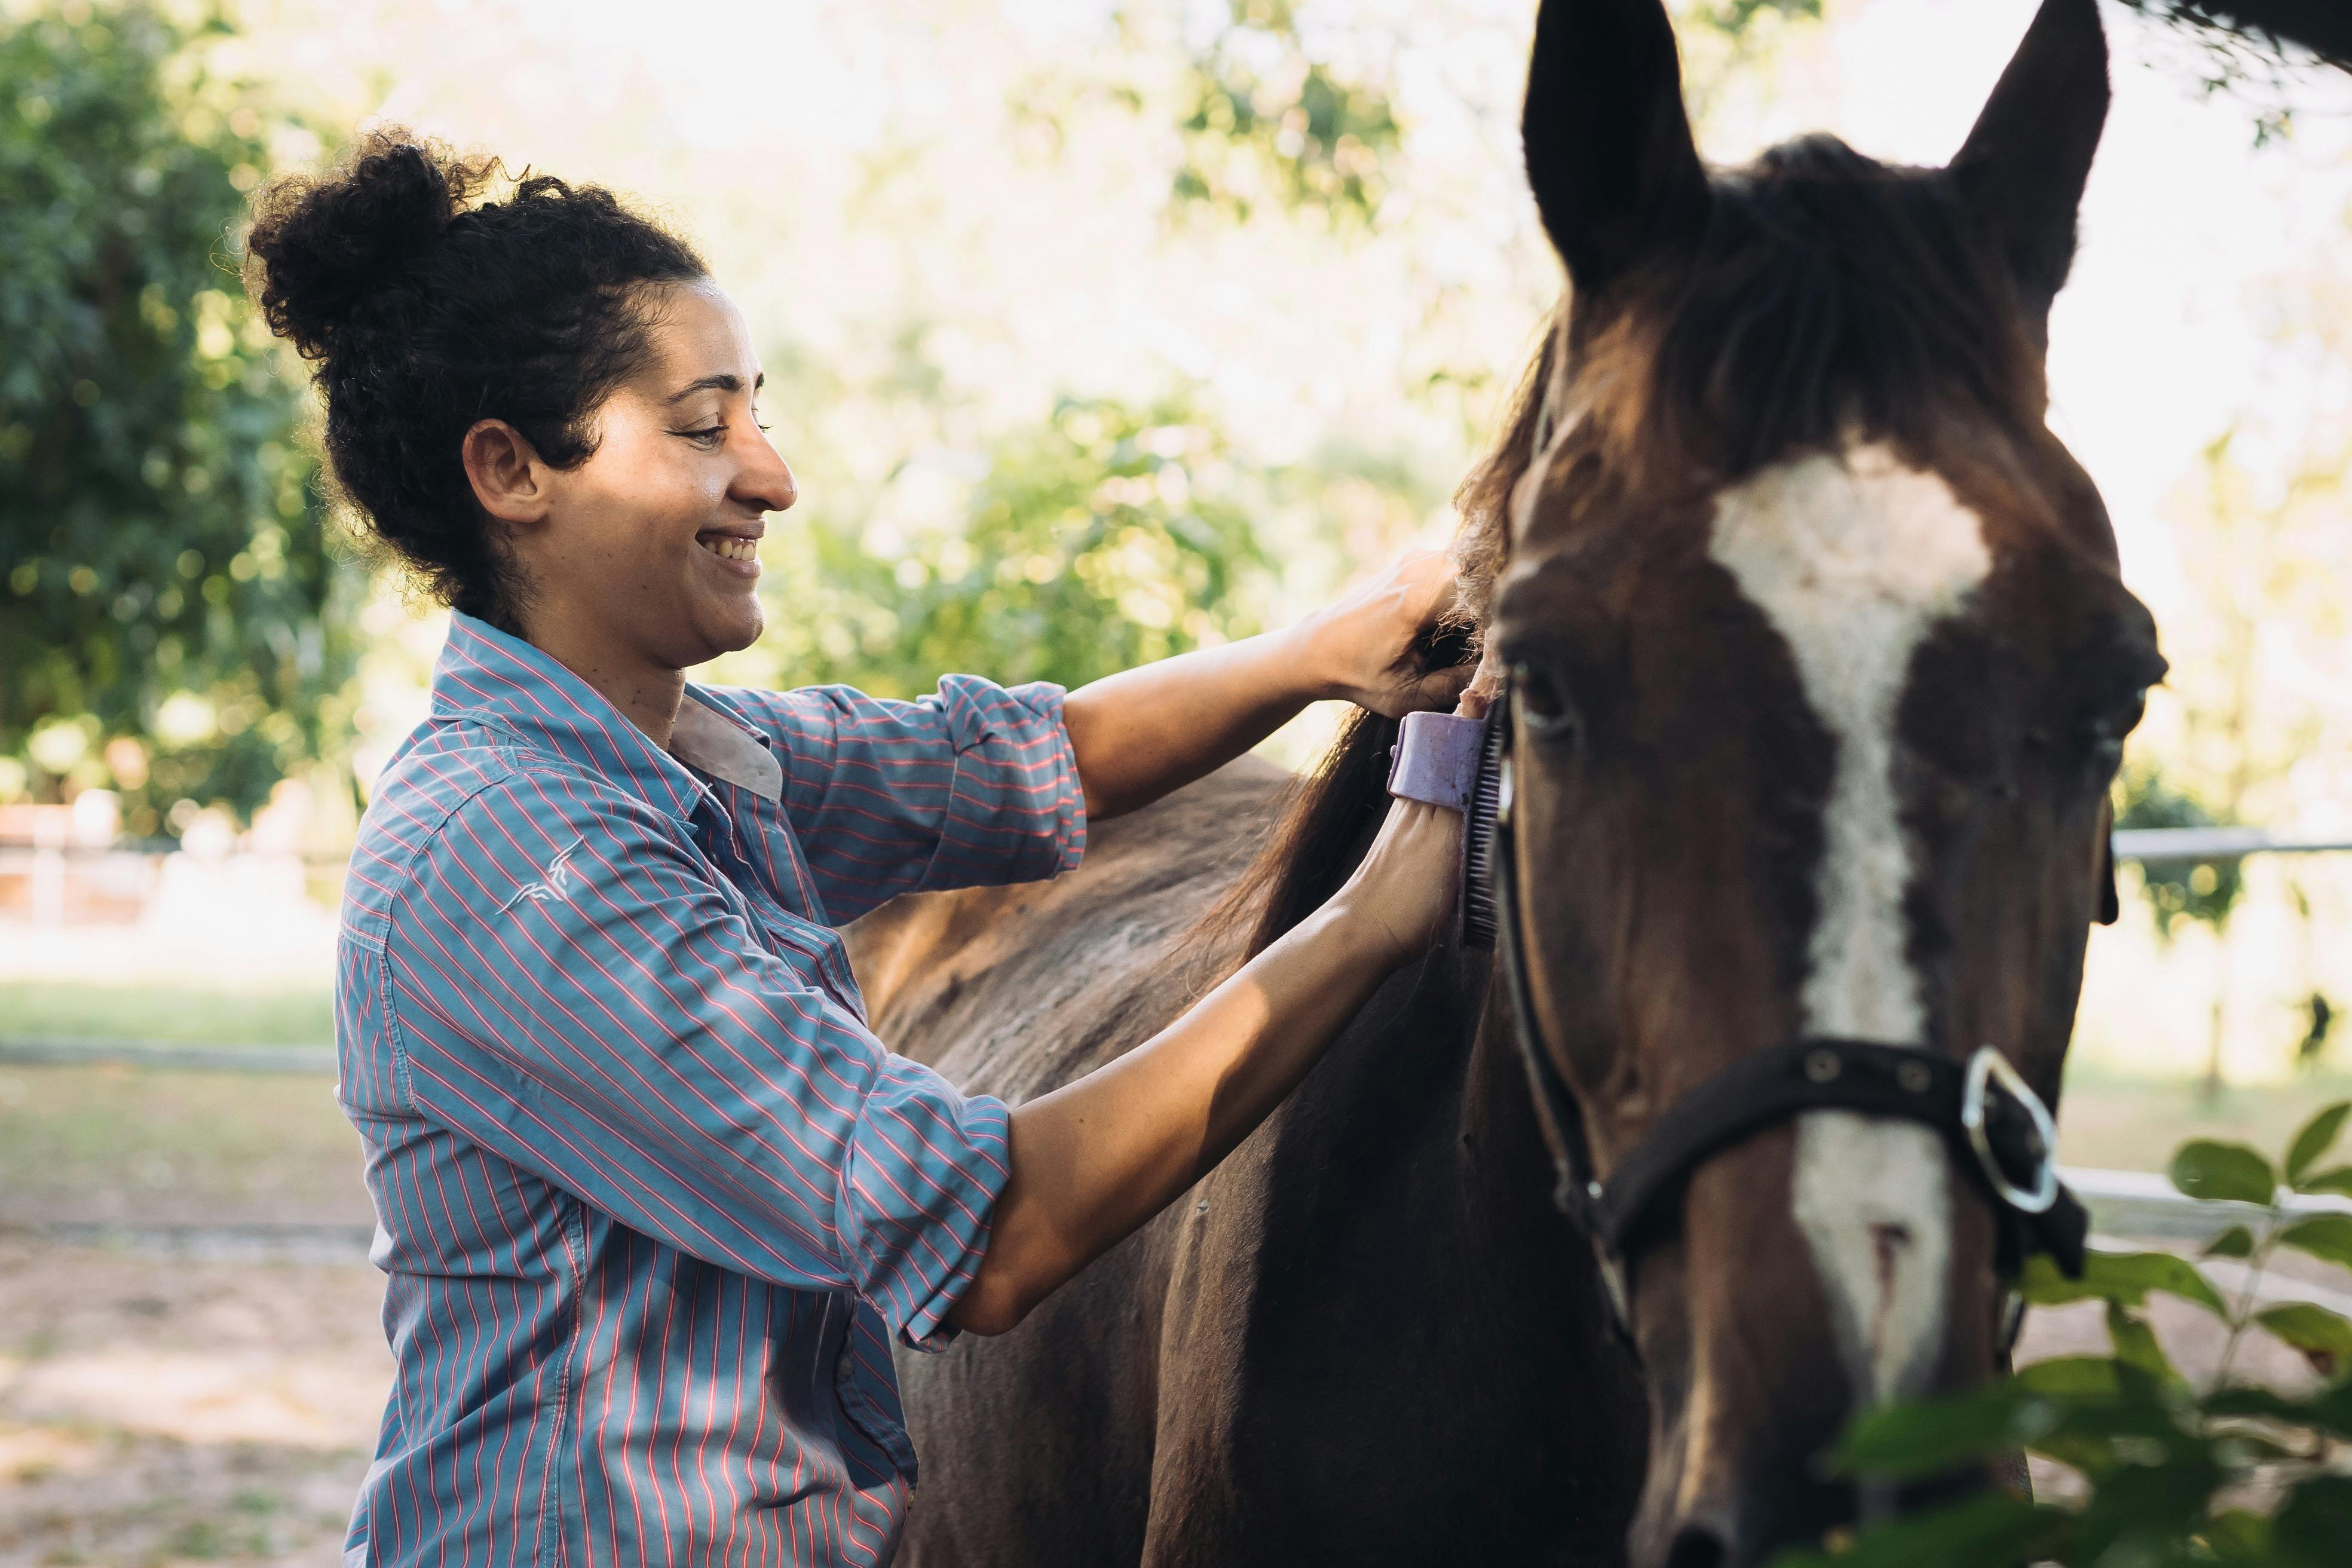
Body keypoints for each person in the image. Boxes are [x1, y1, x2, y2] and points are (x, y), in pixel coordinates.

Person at [246, 131, 1469, 1567]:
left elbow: (1036, 759)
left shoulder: (693, 756)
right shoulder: (518, 861)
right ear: (513, 471)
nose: (771, 475)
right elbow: (991, 1225)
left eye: (755, 415)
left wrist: (1325, 651)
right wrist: (1384, 908)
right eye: (702, 429)